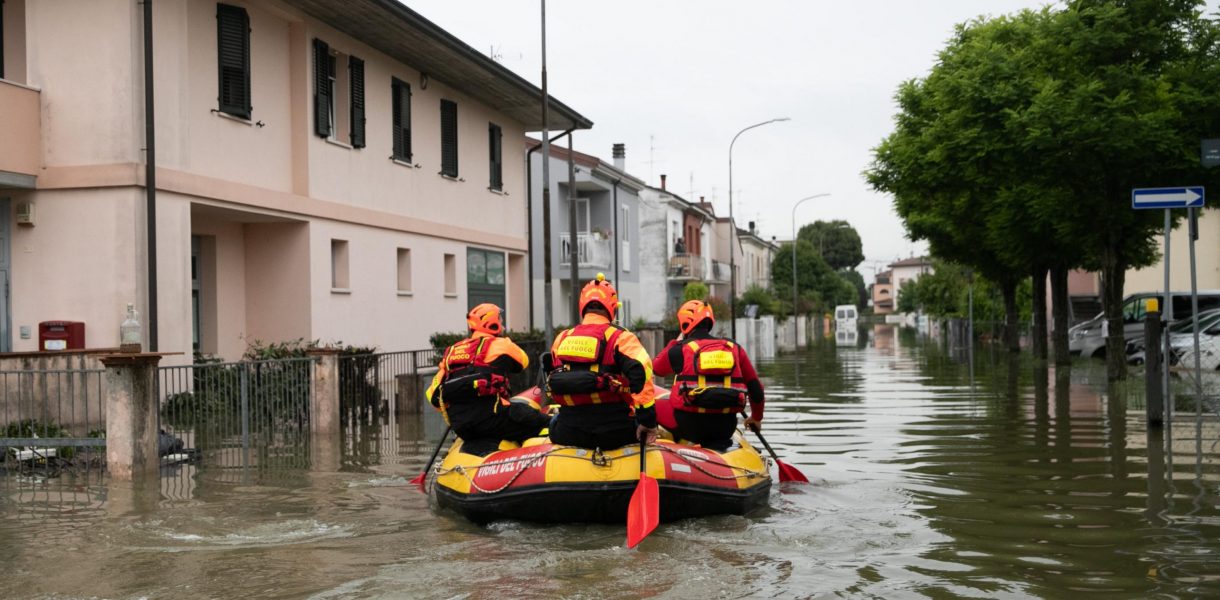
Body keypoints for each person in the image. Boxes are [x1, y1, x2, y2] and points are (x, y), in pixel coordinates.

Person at [546, 274, 658, 449]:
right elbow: (641, 374)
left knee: (553, 420)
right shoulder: (621, 337)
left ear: (582, 306)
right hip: (615, 432)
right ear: (612, 307)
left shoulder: (562, 338)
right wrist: (648, 422)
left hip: (567, 431)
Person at [426, 303, 550, 447]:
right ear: (492, 323)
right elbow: (523, 362)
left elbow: (432, 396)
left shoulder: (451, 352)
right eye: (500, 320)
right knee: (535, 420)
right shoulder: (500, 344)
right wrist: (506, 341)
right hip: (492, 421)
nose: (502, 324)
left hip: (462, 428)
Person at [652, 300, 765, 451]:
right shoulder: (734, 348)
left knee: (646, 406)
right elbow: (756, 389)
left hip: (689, 426)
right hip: (725, 428)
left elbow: (657, 368)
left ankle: (645, 445)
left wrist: (676, 341)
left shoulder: (681, 349)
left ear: (685, 324)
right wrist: (756, 418)